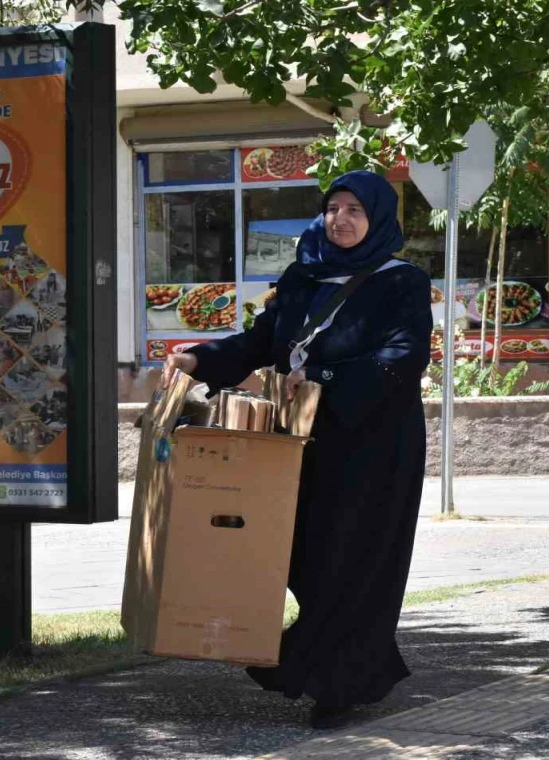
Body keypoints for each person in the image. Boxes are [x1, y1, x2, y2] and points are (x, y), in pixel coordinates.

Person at [162, 170, 432, 729]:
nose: (341, 219)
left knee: (356, 558)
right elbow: (263, 342)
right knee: (302, 553)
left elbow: (403, 356)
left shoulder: (401, 282)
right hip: (303, 440)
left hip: (375, 443)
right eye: (334, 208)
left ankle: (341, 682)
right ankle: (326, 657)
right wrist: (200, 358)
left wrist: (323, 374)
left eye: (356, 210)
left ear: (379, 218)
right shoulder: (303, 275)